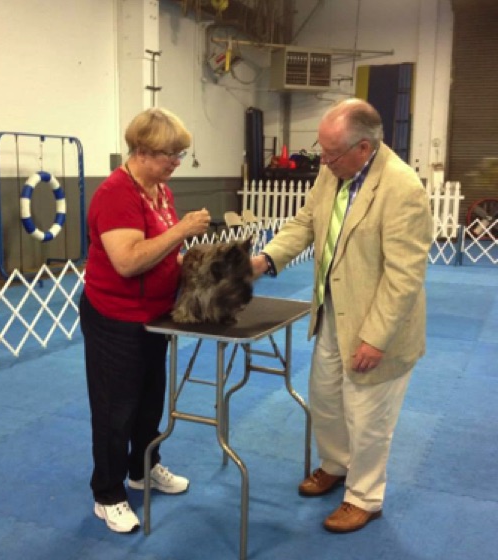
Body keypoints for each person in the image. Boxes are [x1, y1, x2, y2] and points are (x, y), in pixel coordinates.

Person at [252, 98, 432, 533]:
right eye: (323, 151)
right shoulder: (333, 172)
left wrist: (376, 338)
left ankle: (365, 496)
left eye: (331, 154)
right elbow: (305, 224)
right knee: (326, 399)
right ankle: (336, 463)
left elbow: (404, 276)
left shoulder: (403, 189)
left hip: (378, 324)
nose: (323, 161)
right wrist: (263, 261)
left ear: (364, 148)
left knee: (369, 415)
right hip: (332, 310)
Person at [79, 107, 211, 534]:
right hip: (114, 319)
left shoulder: (159, 190)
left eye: (180, 154)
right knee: (115, 411)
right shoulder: (116, 194)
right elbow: (128, 261)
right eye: (170, 154)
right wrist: (182, 232)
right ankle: (108, 494)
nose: (176, 162)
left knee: (150, 403)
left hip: (156, 316)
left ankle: (143, 468)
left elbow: (159, 251)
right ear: (141, 150)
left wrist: (187, 259)